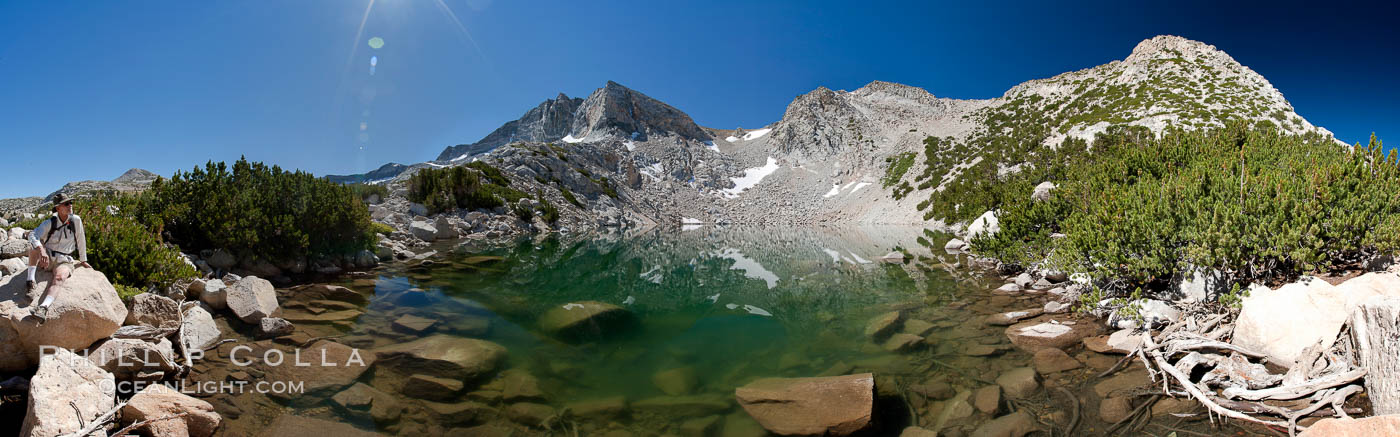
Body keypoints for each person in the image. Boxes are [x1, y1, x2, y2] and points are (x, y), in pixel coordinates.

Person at [24, 193, 90, 321]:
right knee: (33, 248)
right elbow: (33, 235)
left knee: (60, 278)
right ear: (58, 208)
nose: (70, 205)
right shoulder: (50, 222)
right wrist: (42, 251)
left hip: (64, 260)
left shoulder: (76, 220)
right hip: (48, 256)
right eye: (66, 203)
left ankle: (43, 308)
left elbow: (81, 239)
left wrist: (83, 260)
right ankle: (30, 280)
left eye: (70, 203)